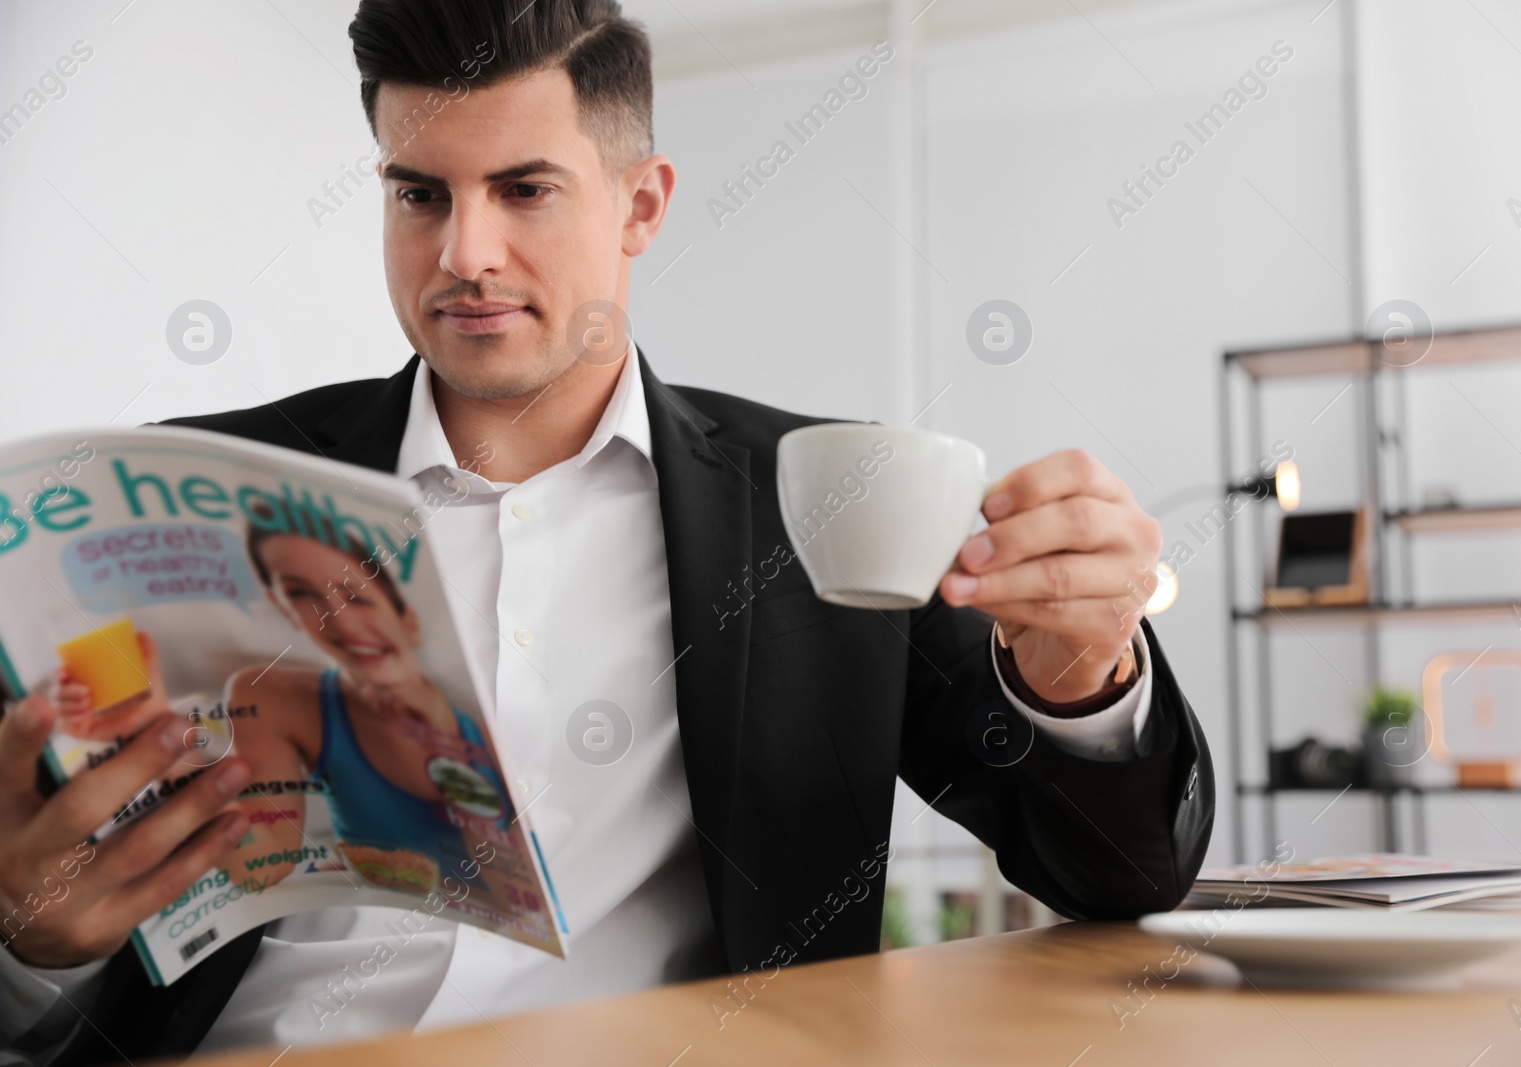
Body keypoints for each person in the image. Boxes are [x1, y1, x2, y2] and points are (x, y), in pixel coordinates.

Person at [0, 1, 1214, 1062]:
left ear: (641, 204)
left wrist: (1082, 677)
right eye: (419, 193)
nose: (463, 253)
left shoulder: (826, 499)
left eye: (523, 188)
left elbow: (1116, 875)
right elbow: (53, 946)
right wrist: (29, 938)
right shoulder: (198, 489)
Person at [210, 503, 515, 904]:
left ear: (408, 619)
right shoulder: (273, 695)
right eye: (301, 594)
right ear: (283, 607)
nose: (341, 621)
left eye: (357, 595)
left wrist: (448, 744)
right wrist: (174, 772)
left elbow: (511, 897)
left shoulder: (489, 722)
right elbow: (261, 866)